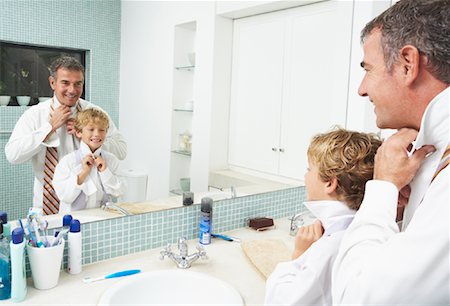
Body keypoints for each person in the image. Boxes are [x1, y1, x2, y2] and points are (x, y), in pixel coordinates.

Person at [332, 0, 449, 304]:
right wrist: (399, 218)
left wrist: (381, 190)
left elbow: (357, 296)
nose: (361, 89)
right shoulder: (435, 156)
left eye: (368, 69)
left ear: (408, 64)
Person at [265, 128, 381, 306]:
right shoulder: (370, 230)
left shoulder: (328, 248)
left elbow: (282, 301)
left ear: (330, 183)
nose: (305, 176)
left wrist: (299, 254)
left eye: (309, 169)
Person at [5, 56, 127, 215]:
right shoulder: (35, 115)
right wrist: (48, 128)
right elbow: (13, 156)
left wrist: (89, 135)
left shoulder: (94, 113)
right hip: (46, 208)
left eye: (78, 84)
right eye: (65, 83)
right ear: (52, 83)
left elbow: (122, 150)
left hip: (89, 210)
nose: (72, 90)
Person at [53, 108, 123, 214]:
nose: (97, 134)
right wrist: (83, 173)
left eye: (101, 130)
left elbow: (118, 191)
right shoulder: (68, 161)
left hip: (102, 221)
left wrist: (105, 171)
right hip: (73, 222)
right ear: (79, 132)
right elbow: (64, 196)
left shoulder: (110, 160)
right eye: (91, 129)